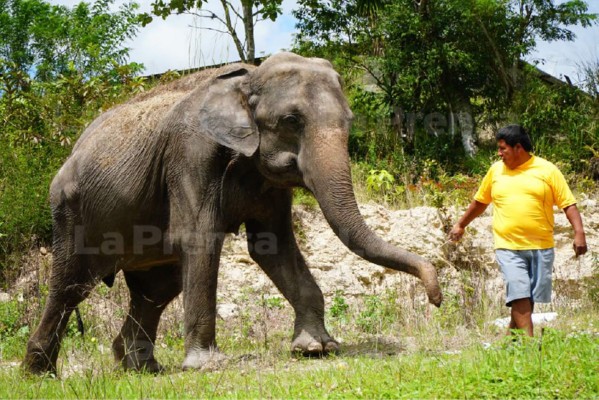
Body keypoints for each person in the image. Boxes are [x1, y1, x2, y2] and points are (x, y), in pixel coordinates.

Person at [449, 124, 587, 336]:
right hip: (508, 246)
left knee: (527, 298)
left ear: (518, 148)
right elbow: (480, 202)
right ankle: (529, 350)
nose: (499, 153)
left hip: (541, 246)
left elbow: (568, 204)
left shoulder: (547, 170)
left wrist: (579, 233)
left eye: (503, 148)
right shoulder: (496, 171)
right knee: (519, 292)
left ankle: (510, 341)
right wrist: (461, 225)